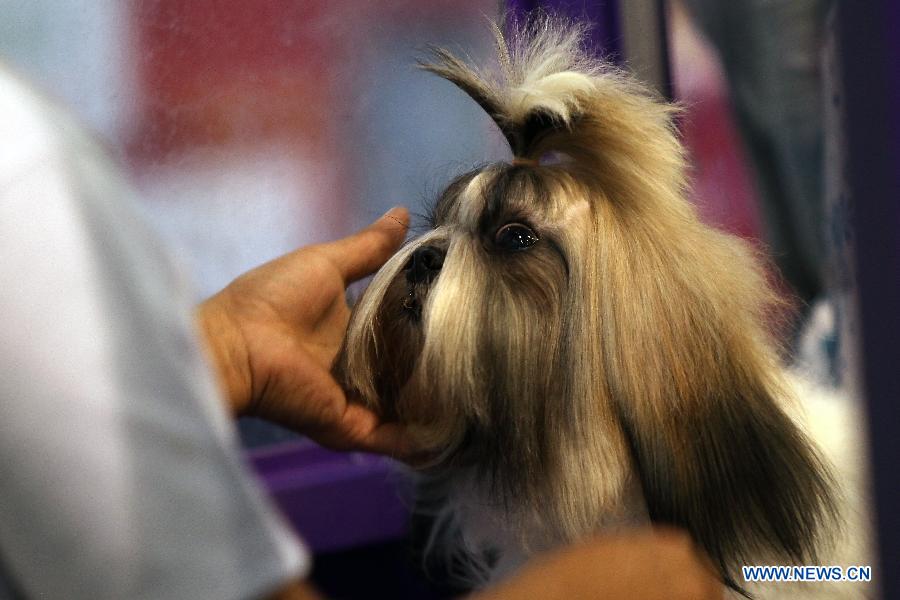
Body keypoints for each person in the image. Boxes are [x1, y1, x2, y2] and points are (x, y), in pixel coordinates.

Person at [0, 63, 721, 599]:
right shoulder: (22, 174)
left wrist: (228, 347)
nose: (432, 256)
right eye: (442, 230)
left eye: (512, 246)